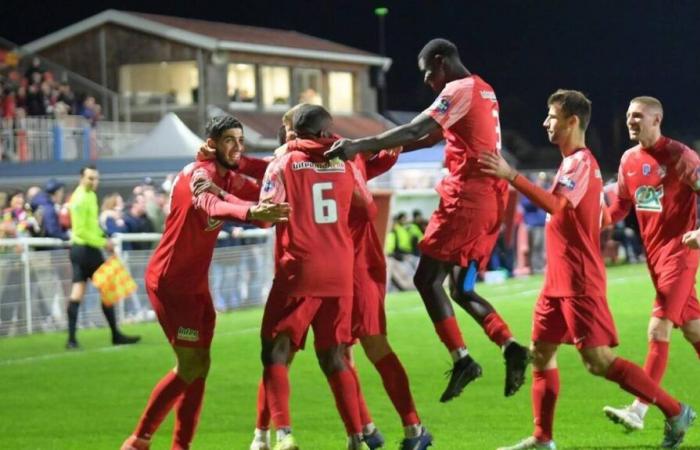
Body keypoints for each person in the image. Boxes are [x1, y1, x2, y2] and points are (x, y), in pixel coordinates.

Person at [479, 89, 696, 450]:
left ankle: (673, 411)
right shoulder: (585, 163)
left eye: (551, 116)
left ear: (571, 121)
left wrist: (511, 175)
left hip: (582, 280)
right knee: (541, 352)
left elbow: (557, 206)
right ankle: (542, 438)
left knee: (600, 360)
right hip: (557, 280)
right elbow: (608, 209)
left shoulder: (582, 162)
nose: (545, 122)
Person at [325, 38, 530, 401]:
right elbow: (434, 135)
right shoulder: (484, 90)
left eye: (428, 73)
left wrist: (360, 145)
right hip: (488, 203)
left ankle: (463, 359)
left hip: (466, 202)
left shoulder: (459, 89)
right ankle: (509, 344)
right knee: (461, 288)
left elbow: (418, 128)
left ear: (441, 61)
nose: (427, 82)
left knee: (426, 278)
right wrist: (390, 147)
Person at [120, 116, 290, 450]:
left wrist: (283, 172)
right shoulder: (200, 174)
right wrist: (253, 214)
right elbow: (210, 202)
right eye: (229, 140)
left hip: (196, 285)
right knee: (190, 364)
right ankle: (138, 441)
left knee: (201, 366)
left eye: (240, 141)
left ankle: (180, 446)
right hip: (171, 283)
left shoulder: (226, 174)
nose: (237, 147)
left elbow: (259, 191)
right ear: (211, 143)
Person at [257, 104, 372, 450]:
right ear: (325, 133)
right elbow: (366, 206)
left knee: (274, 351)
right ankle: (357, 437)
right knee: (335, 356)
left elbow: (265, 215)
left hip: (300, 268)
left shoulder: (282, 163)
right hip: (340, 270)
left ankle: (285, 435)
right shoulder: (345, 162)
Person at [601, 96, 700, 431]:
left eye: (638, 116)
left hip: (681, 255)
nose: (631, 120)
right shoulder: (629, 160)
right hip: (655, 260)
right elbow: (618, 209)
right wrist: (591, 220)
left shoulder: (680, 156)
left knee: (658, 328)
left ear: (657, 119)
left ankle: (638, 409)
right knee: (693, 328)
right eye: (629, 115)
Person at [66, 165, 140, 349]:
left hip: (83, 249)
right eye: (90, 178)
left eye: (96, 178)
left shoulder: (90, 195)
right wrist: (103, 243)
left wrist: (104, 238)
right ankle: (115, 335)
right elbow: (81, 231)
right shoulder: (80, 198)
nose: (94, 181)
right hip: (85, 250)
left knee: (78, 292)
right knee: (106, 289)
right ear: (81, 178)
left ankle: (72, 339)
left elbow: (92, 226)